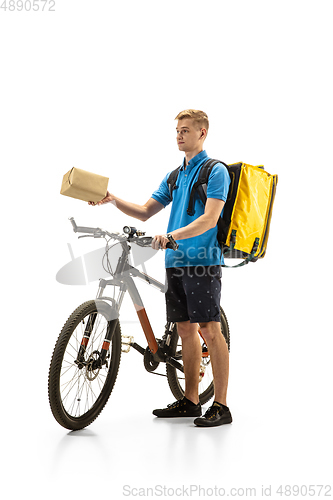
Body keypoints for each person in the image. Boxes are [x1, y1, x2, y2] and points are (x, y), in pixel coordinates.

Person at [89, 109, 232, 427]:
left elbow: (210, 218)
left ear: (202, 133)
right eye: (177, 130)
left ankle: (221, 405)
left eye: (185, 130)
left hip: (202, 260)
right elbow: (143, 212)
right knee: (184, 329)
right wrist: (112, 199)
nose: (179, 135)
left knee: (209, 329)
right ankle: (190, 401)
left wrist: (171, 236)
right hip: (175, 261)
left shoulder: (215, 170)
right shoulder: (174, 175)